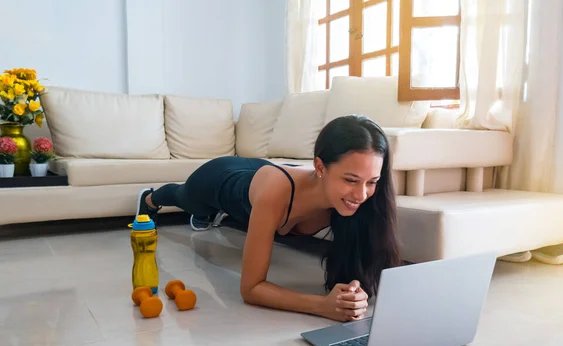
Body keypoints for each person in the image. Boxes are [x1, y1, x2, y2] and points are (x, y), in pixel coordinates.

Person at [136, 115, 402, 322]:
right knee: (183, 197)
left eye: (372, 182)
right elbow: (250, 289)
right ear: (320, 167)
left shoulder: (357, 200)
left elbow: (361, 266)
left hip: (261, 176)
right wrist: (321, 306)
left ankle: (206, 214)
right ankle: (149, 198)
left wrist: (355, 293)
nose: (362, 194)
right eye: (351, 180)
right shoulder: (277, 192)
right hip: (222, 180)